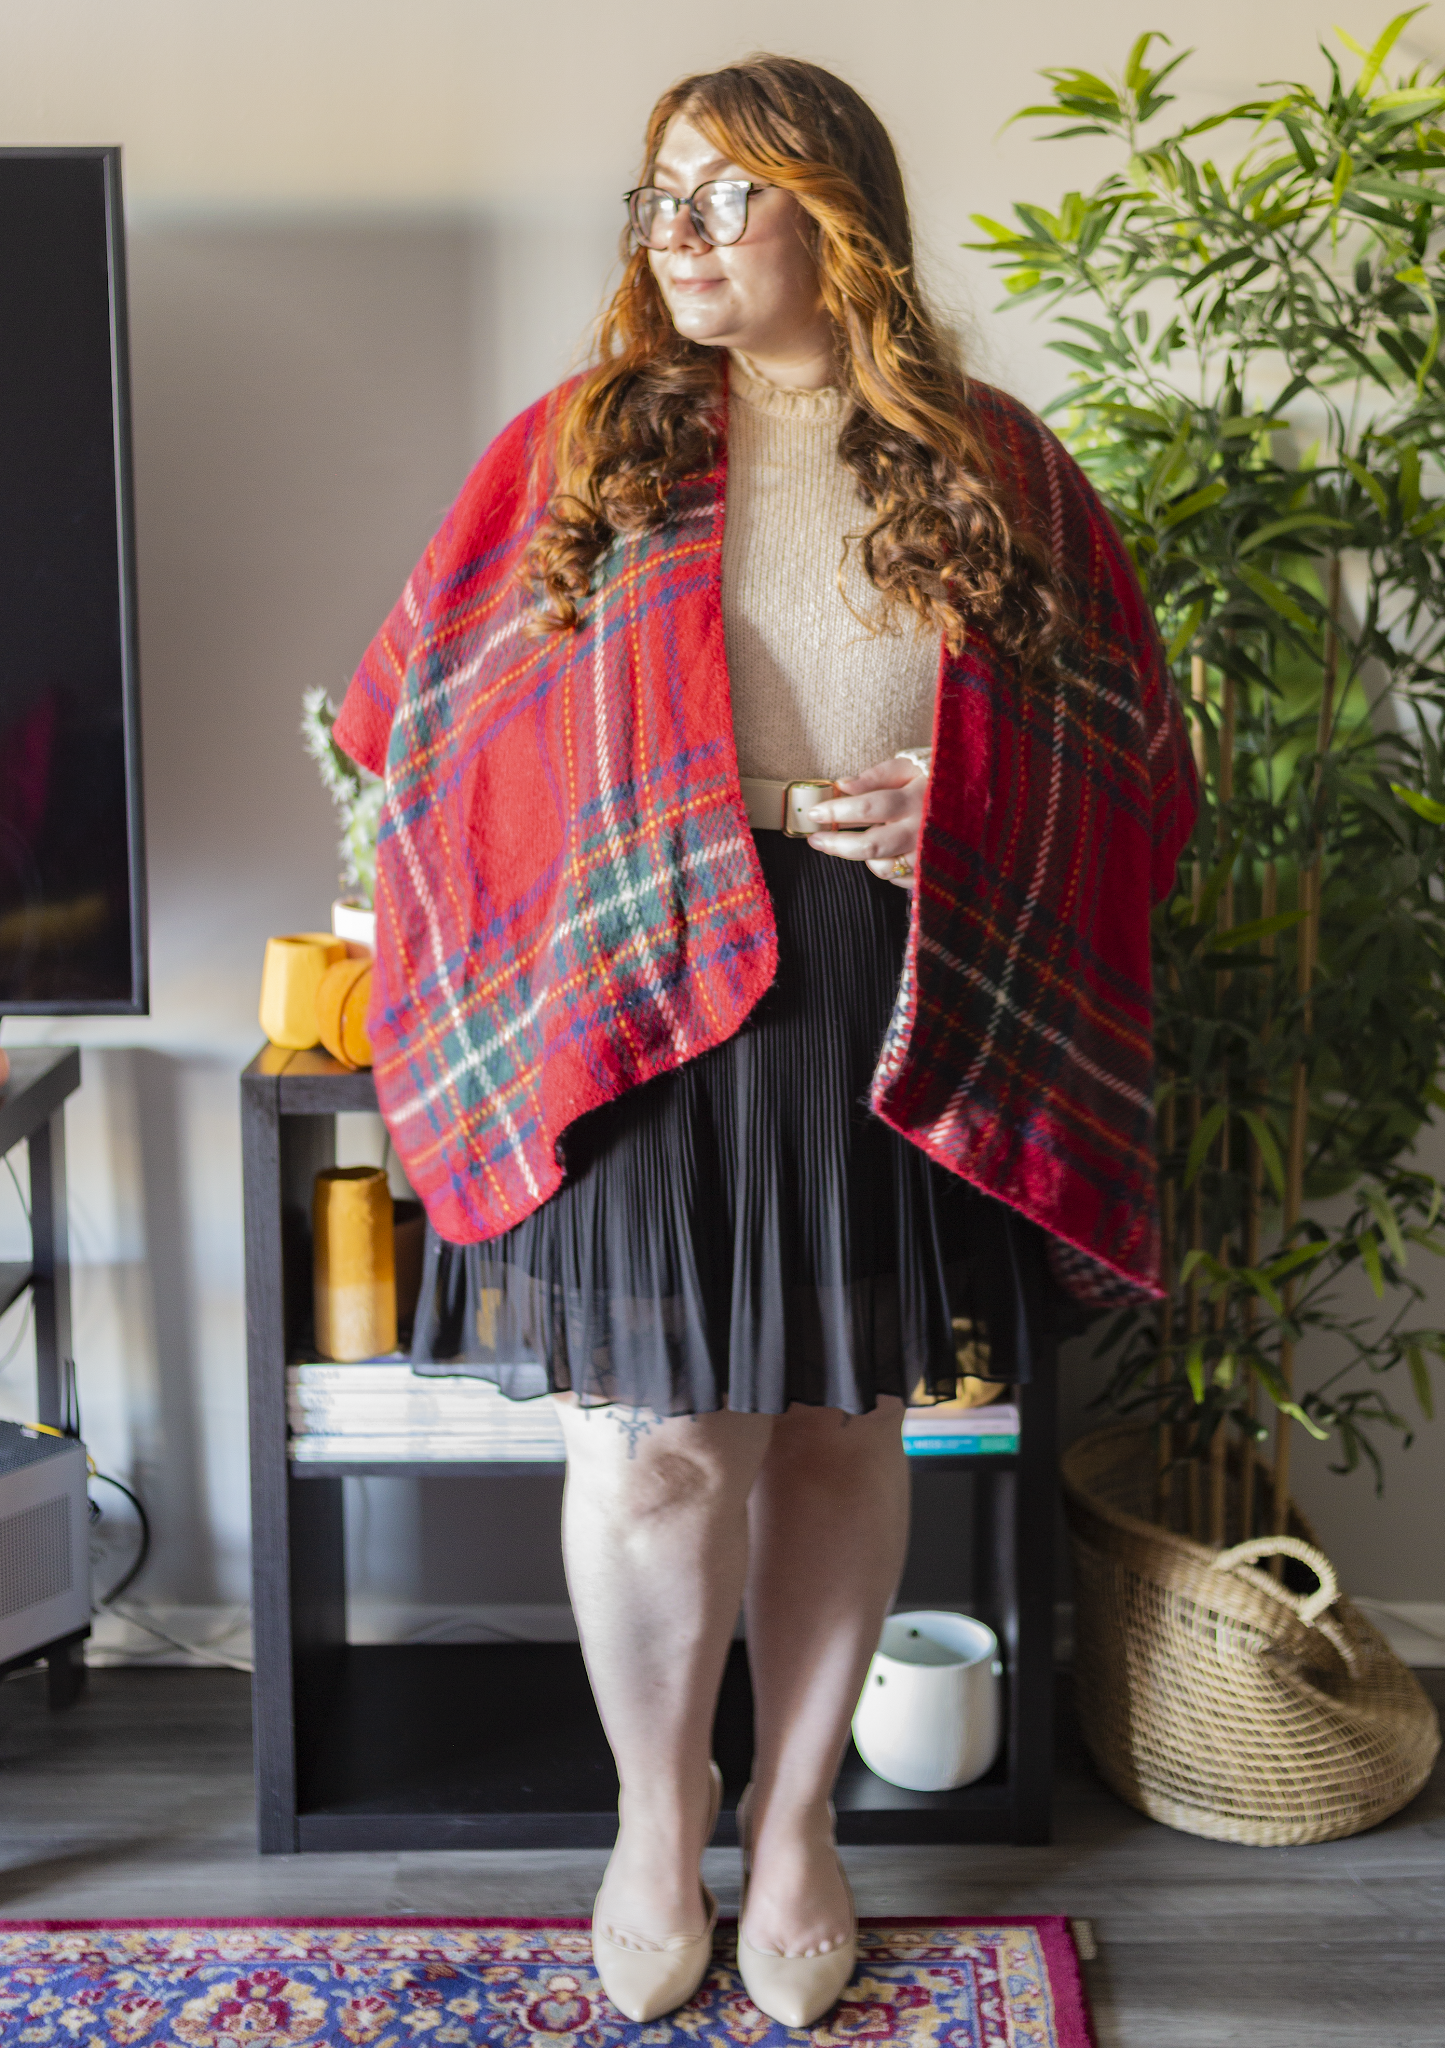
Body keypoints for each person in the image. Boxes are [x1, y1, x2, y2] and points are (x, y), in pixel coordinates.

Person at [334, 54, 1194, 2030]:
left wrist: (958, 805)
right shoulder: (586, 449)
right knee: (654, 1456)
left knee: (832, 1430)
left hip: (890, 985)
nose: (685, 236)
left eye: (733, 197)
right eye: (663, 199)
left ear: (845, 217)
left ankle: (799, 1826)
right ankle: (658, 1816)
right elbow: (437, 728)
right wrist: (635, 824)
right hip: (645, 991)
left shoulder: (992, 459)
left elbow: (1122, 755)